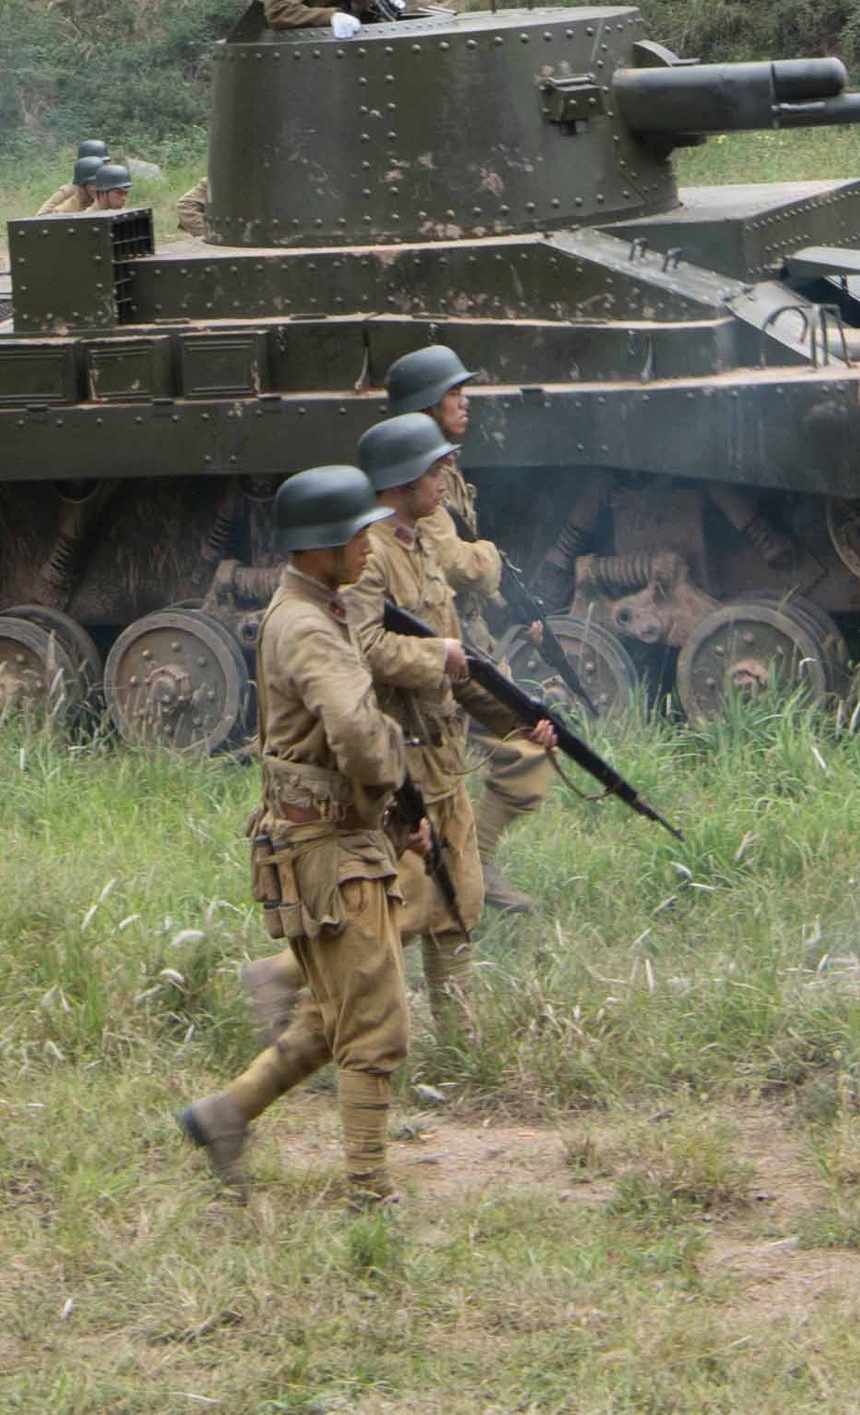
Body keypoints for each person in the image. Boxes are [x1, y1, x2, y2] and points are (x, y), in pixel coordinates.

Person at [175, 466, 416, 1206]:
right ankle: (369, 1194)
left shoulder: (308, 609)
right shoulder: (310, 627)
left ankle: (225, 1115)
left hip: (322, 844)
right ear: (319, 548)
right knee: (373, 1026)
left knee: (332, 1013)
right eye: (356, 535)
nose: (369, 545)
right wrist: (390, 771)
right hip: (333, 851)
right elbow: (355, 733)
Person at [344, 412, 553, 1039]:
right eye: (433, 471)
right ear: (401, 481)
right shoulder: (368, 557)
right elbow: (363, 648)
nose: (444, 481)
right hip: (396, 761)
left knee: (459, 895)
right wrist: (437, 656)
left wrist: (521, 720)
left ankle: (462, 1041)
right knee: (402, 905)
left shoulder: (420, 548)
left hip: (441, 753)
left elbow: (462, 668)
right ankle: (296, 992)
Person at [383, 345, 544, 911]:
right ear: (427, 405)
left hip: (457, 637)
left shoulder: (442, 468)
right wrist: (491, 560)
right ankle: (462, 876)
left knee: (529, 743)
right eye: (454, 394)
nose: (465, 402)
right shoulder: (412, 476)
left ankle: (470, 871)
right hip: (438, 651)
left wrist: (513, 610)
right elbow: (456, 562)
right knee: (511, 752)